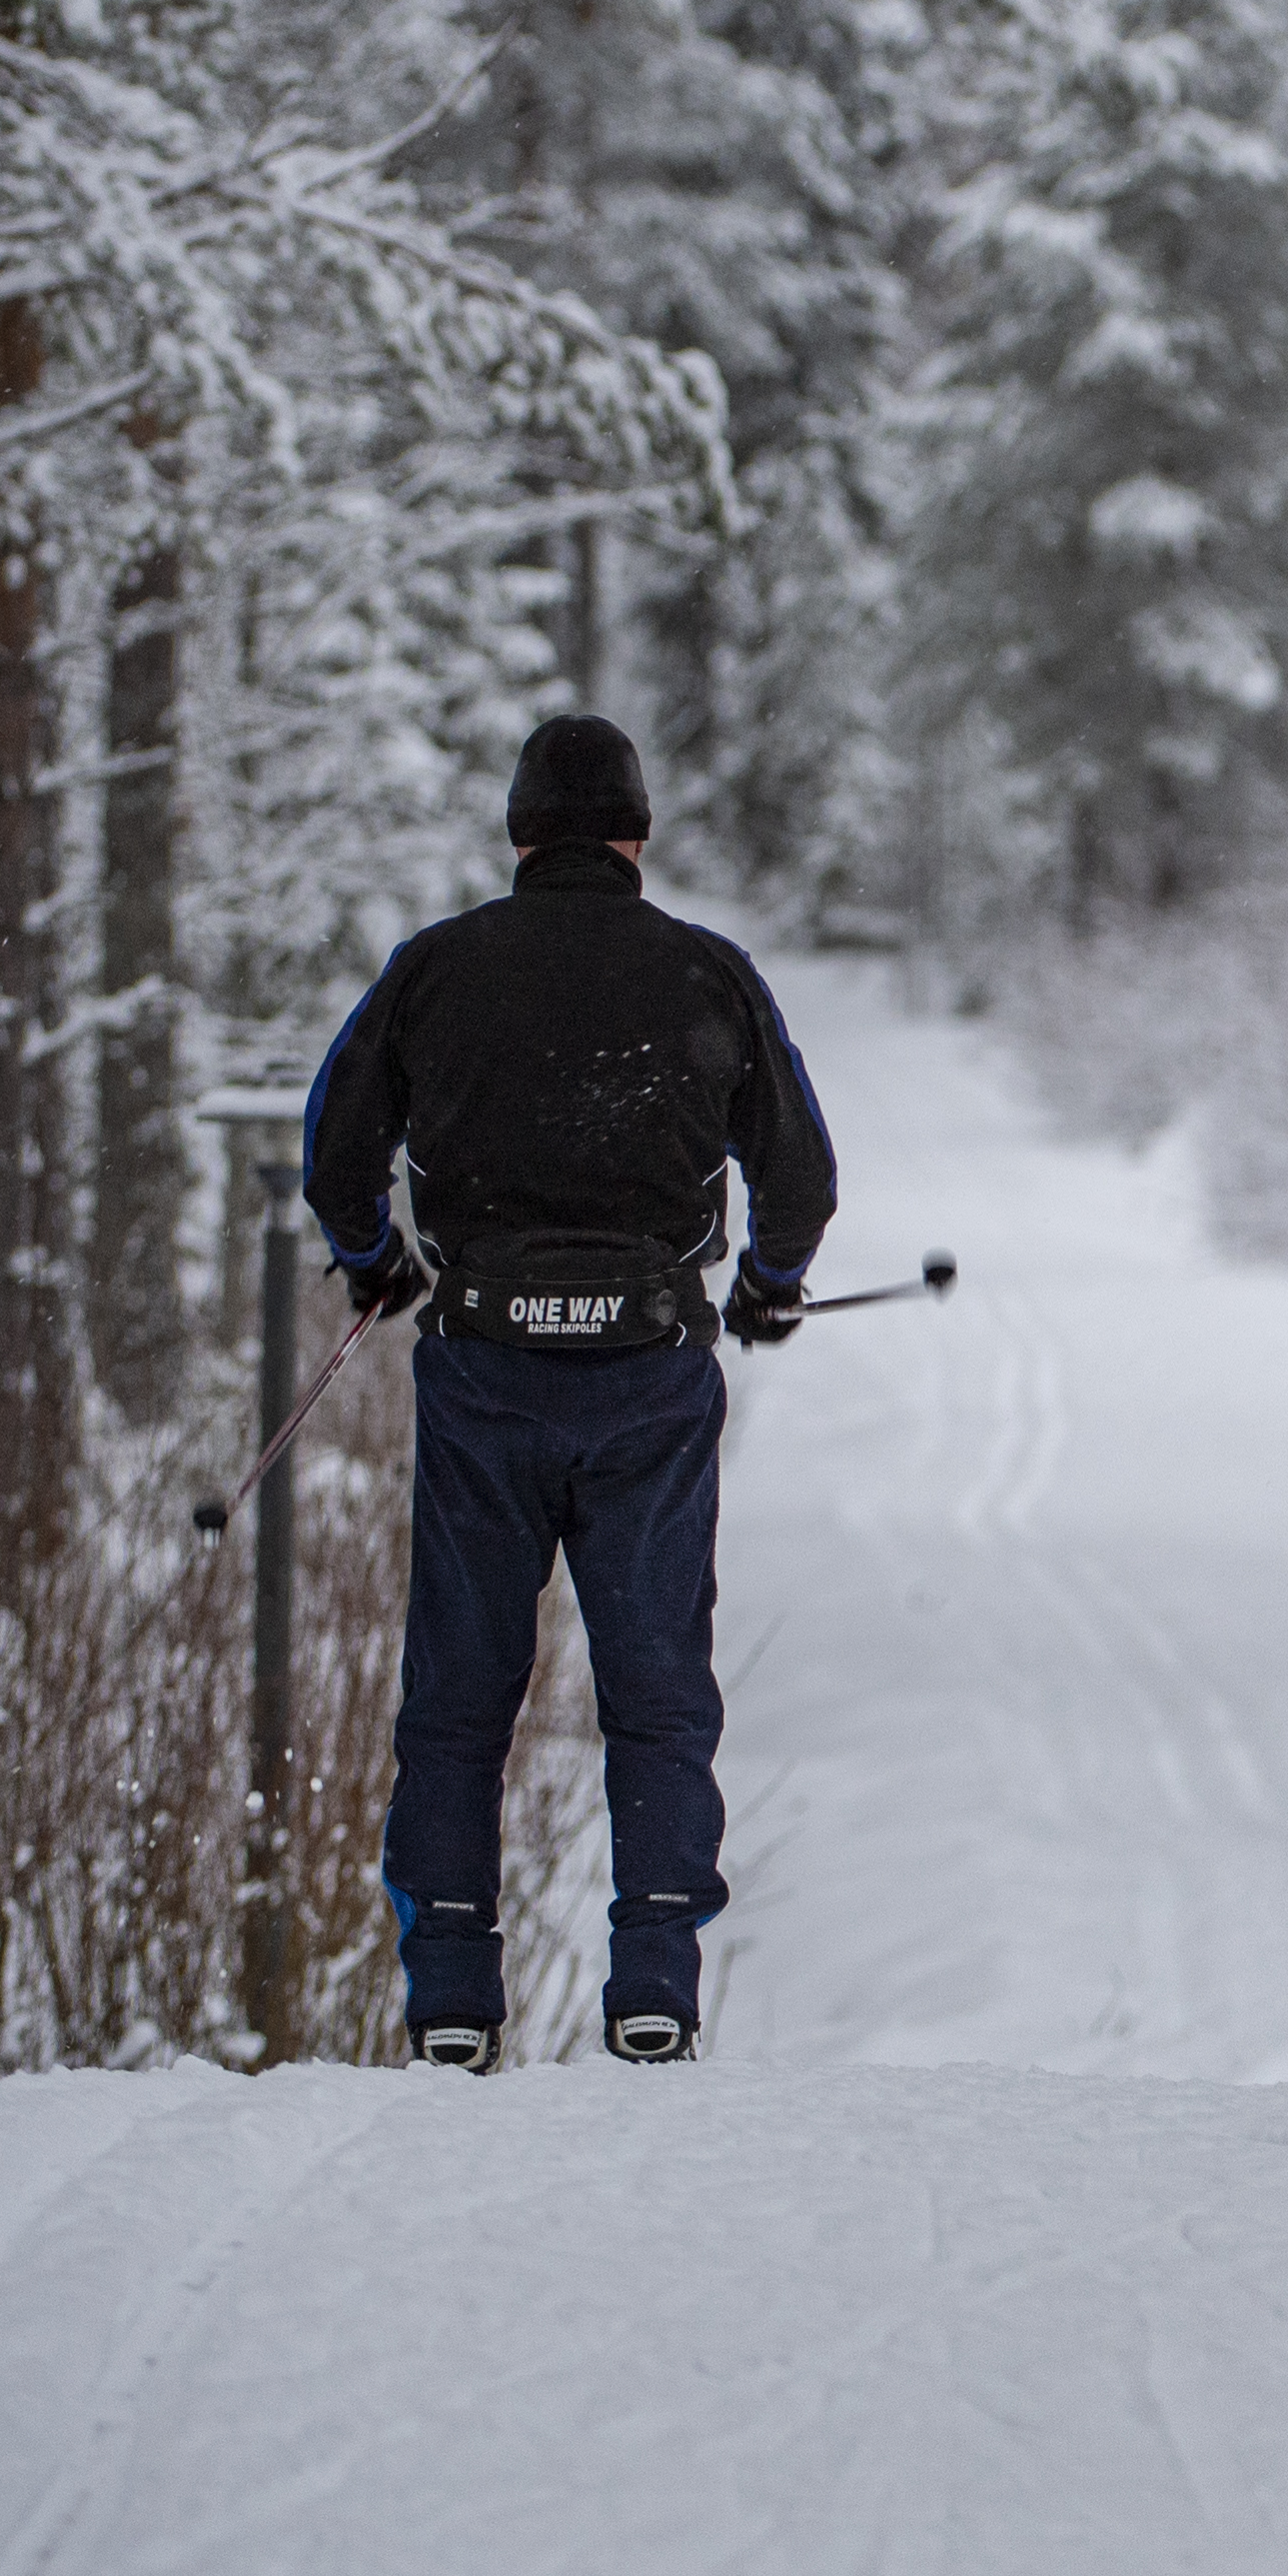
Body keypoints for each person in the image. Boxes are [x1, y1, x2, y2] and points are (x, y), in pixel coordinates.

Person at [303, 715, 836, 2071]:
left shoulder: (437, 969)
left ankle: (450, 2001)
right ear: (637, 836)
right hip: (650, 1378)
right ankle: (653, 1978)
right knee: (657, 1686)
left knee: (460, 1692)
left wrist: (375, 1266)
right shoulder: (704, 972)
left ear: (520, 830)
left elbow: (335, 1148)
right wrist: (769, 1285)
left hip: (482, 1373)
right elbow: (801, 1173)